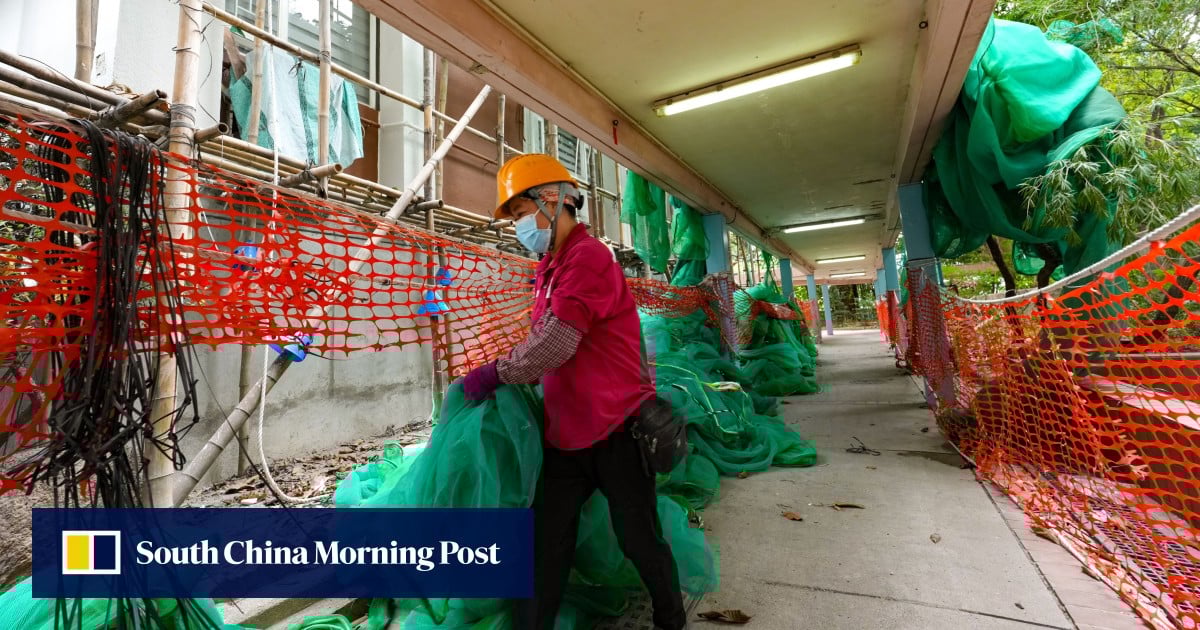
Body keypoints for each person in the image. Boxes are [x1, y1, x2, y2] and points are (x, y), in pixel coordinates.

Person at [460, 154, 686, 630]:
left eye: (521, 213)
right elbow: (544, 339)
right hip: (566, 434)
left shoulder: (588, 258)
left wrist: (495, 373)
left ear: (553, 200)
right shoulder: (549, 266)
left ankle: (671, 618)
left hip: (616, 428)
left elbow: (556, 344)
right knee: (547, 540)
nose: (519, 225)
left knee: (638, 536)